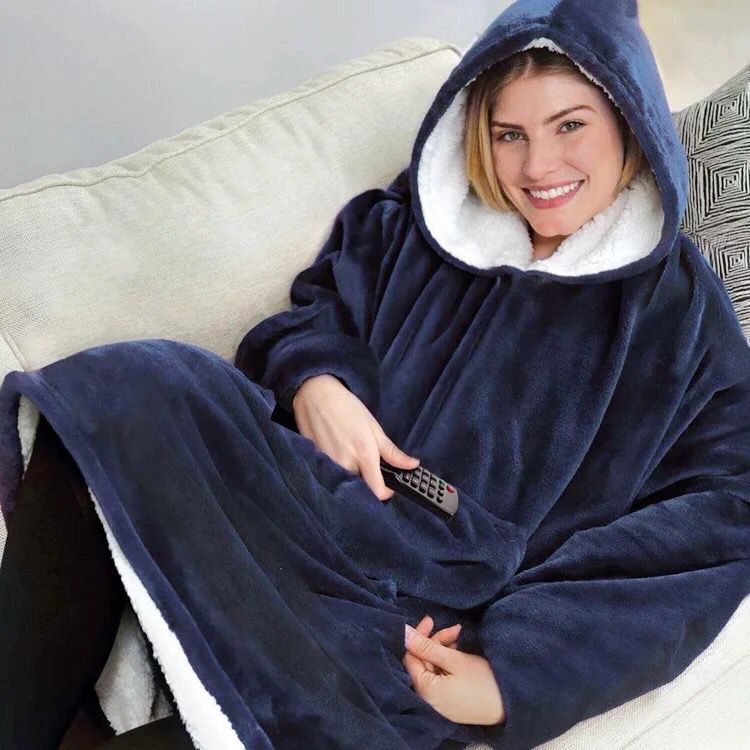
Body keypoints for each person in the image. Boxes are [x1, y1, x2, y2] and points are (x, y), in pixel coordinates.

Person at [1, 1, 749, 749]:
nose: (538, 167)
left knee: (306, 717)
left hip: (419, 608)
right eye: (510, 134)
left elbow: (718, 523)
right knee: (130, 389)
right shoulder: (421, 219)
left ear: (630, 121)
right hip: (299, 495)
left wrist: (512, 672)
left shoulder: (681, 318)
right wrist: (317, 382)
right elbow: (318, 310)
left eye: (570, 125)